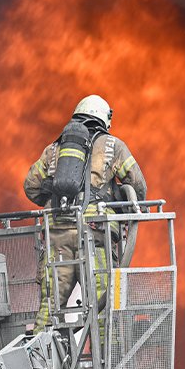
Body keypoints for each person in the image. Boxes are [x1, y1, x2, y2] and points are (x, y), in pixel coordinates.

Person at [24, 95, 147, 332]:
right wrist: (122, 199)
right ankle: (108, 364)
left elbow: (31, 186)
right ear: (104, 118)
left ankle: (41, 362)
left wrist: (52, 197)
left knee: (49, 309)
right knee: (102, 307)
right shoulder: (114, 146)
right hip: (95, 236)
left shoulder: (54, 149)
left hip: (56, 236)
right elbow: (138, 186)